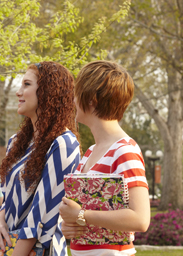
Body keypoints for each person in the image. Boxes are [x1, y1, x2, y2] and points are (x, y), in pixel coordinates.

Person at [0, 61, 81, 255]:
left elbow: (43, 214)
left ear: (48, 92)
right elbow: (9, 199)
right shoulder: (16, 143)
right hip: (8, 248)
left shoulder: (64, 144)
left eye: (27, 84)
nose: (18, 92)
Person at [59, 60, 150, 256]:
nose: (73, 100)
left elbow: (141, 219)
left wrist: (81, 215)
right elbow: (82, 218)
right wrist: (70, 226)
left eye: (77, 93)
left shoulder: (125, 151)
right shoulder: (91, 152)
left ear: (91, 99)